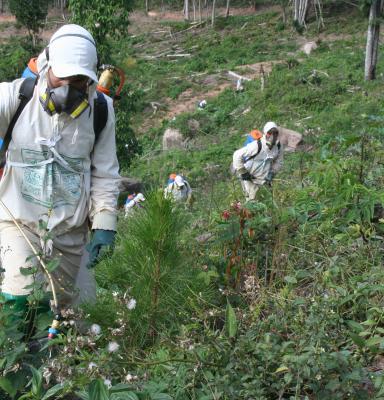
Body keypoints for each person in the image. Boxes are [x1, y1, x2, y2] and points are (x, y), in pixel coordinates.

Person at [0, 24, 120, 323]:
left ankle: (53, 366)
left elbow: (105, 172)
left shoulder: (101, 111)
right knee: (20, 300)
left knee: (65, 315)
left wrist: (105, 222)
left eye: (78, 80)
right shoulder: (14, 98)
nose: (68, 88)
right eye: (61, 77)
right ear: (47, 66)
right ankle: (17, 367)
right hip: (18, 220)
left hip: (69, 231)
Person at [232, 122, 283, 202]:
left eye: (275, 133)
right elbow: (237, 155)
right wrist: (243, 172)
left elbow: (279, 161)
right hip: (249, 177)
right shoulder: (256, 145)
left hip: (264, 178)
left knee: (267, 200)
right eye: (270, 132)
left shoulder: (278, 146)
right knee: (252, 202)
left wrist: (272, 172)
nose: (273, 135)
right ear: (265, 133)